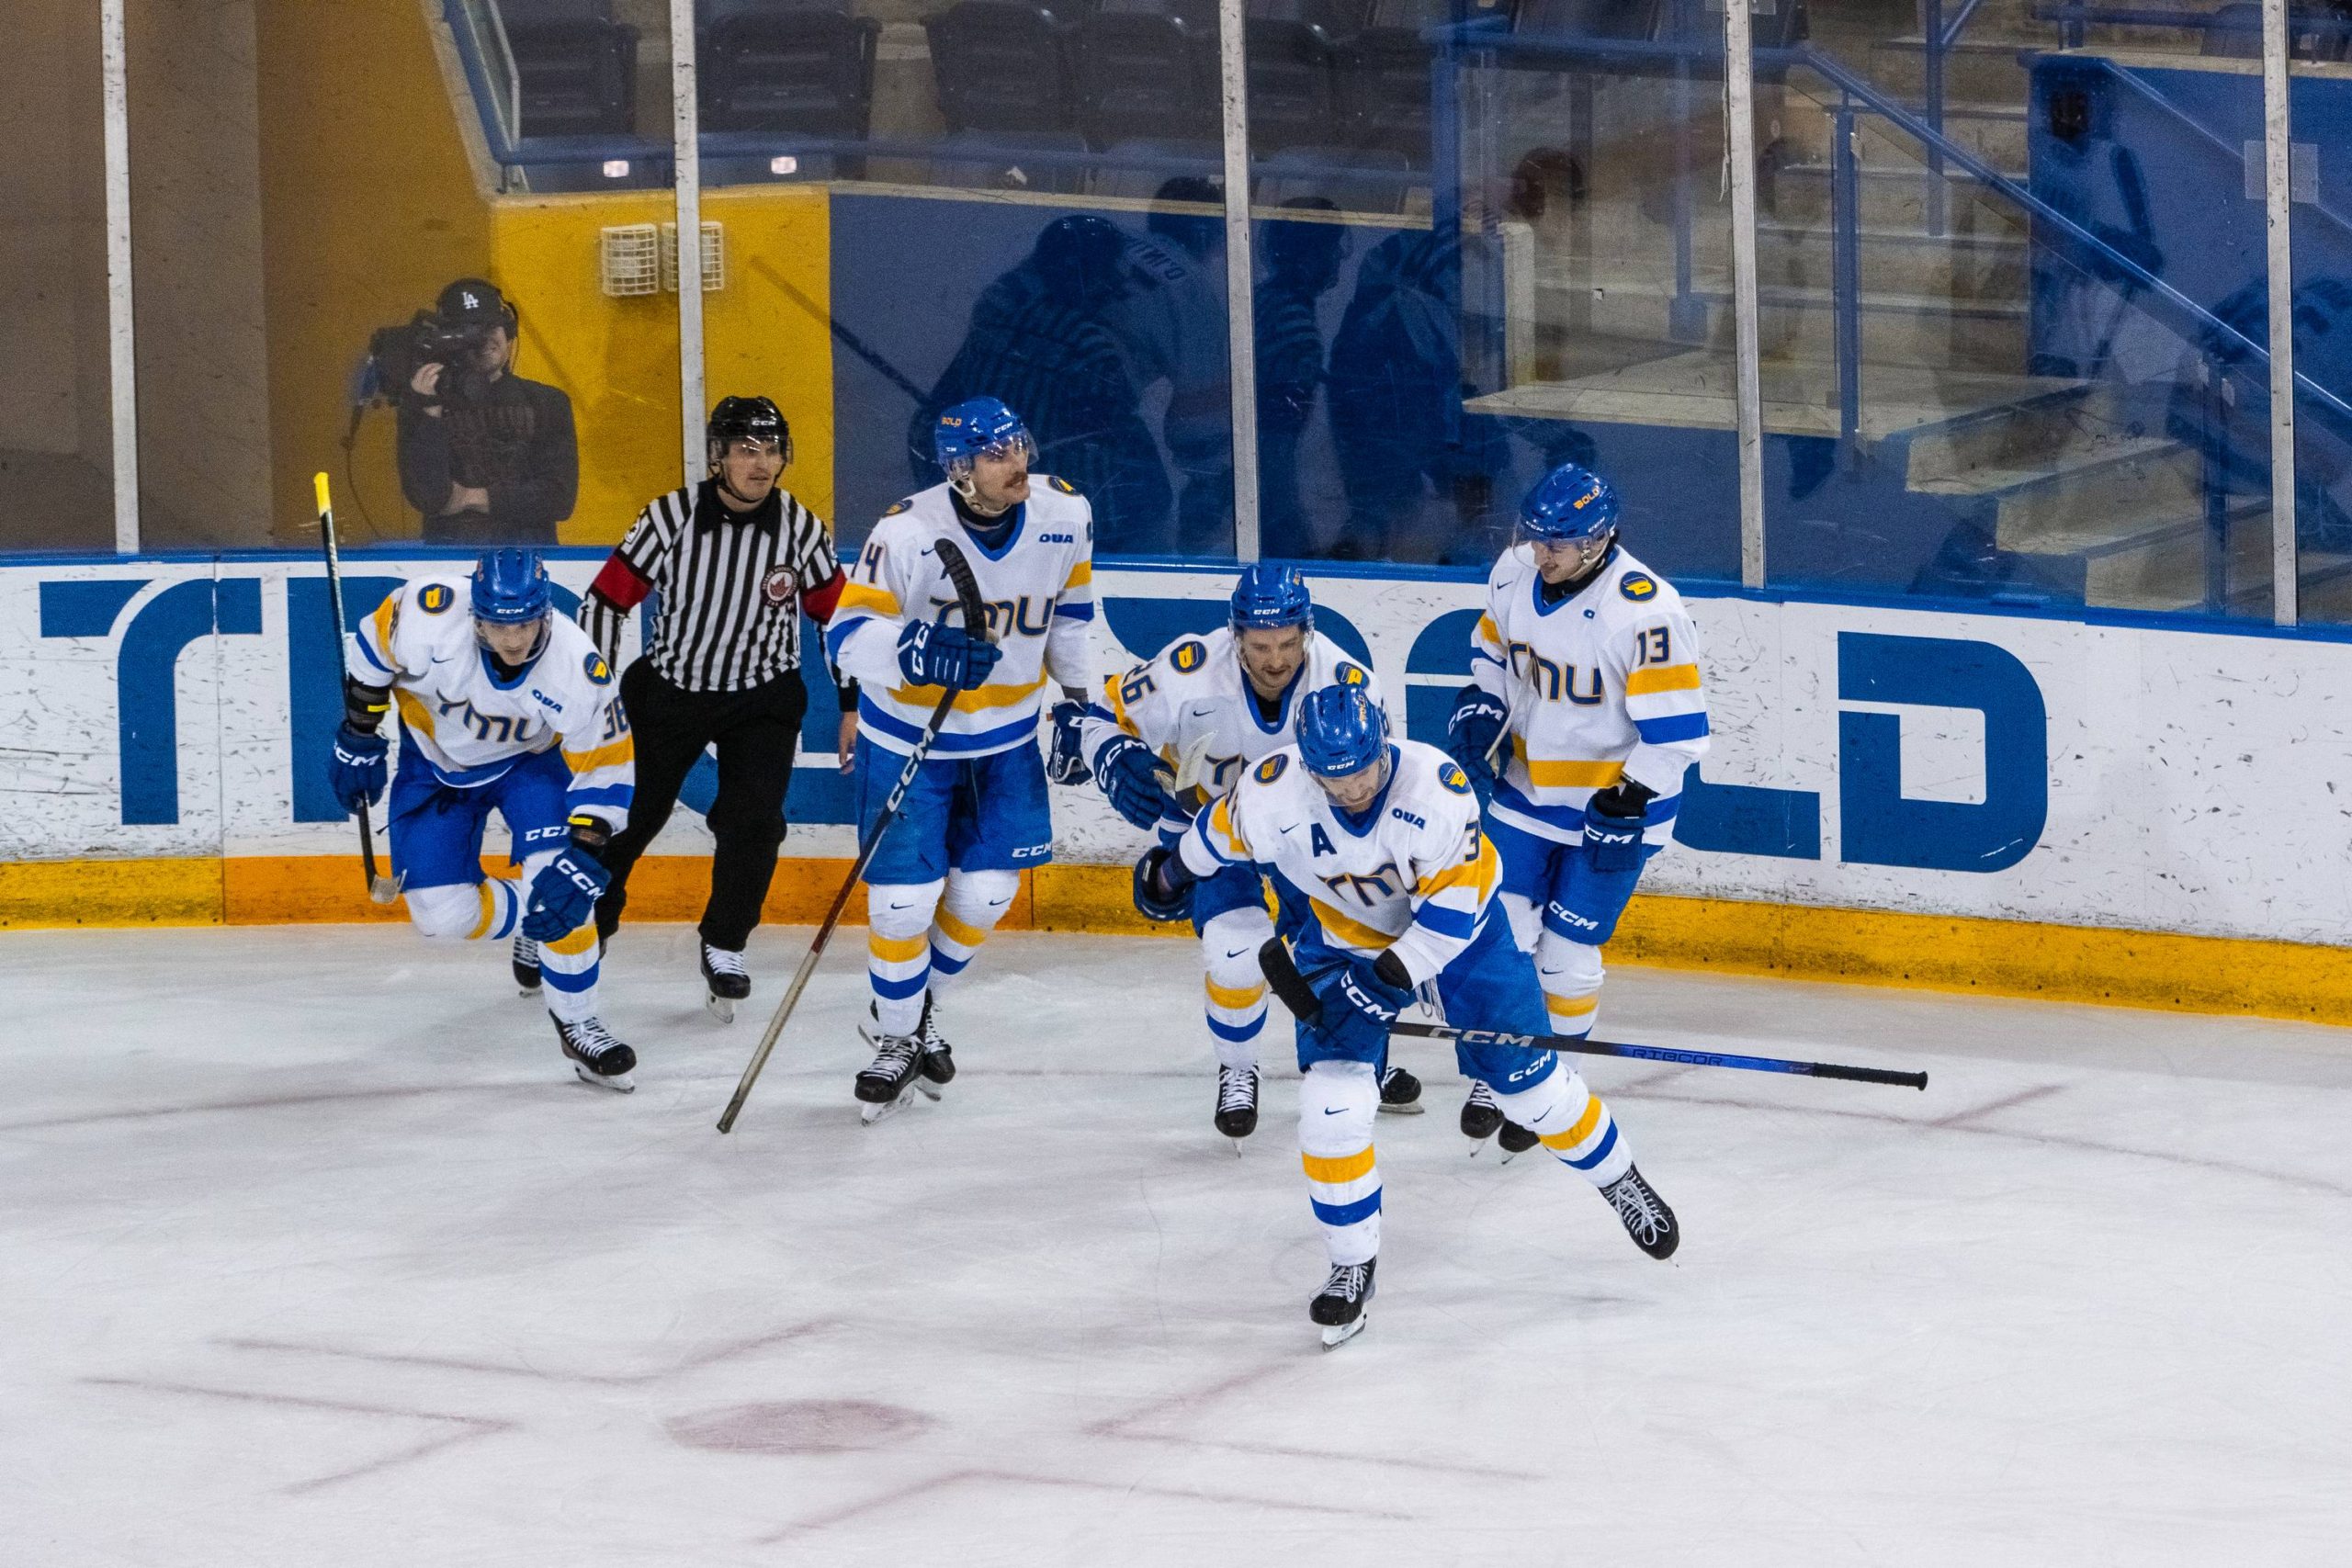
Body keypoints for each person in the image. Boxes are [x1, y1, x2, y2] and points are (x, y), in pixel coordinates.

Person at [1139, 687, 1678, 1348]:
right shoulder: (1273, 790)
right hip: (1339, 946)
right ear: (1309, 765)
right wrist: (1166, 875)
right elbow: (1214, 835)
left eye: (1361, 770)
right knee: (1331, 1109)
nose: (1350, 788)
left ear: (1383, 742)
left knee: (1533, 1090)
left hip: (1464, 947)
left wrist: (1388, 983)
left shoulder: (1437, 792)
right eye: (1332, 776)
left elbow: (1446, 921)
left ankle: (1619, 1179)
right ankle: (1350, 1266)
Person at [1062, 563, 1420, 1143]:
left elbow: (1374, 776)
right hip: (1213, 832)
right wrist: (1112, 758)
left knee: (1339, 953)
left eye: (1286, 643)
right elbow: (1098, 716)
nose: (1276, 660)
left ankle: (1352, 1060)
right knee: (1234, 951)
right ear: (1236, 637)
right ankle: (1237, 1067)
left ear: (1306, 631)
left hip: (1308, 842)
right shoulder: (1189, 670)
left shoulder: (1346, 681)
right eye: (1260, 646)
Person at [823, 396, 1100, 1122]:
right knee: (904, 900)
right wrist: (911, 649)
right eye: (997, 454)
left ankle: (913, 1015)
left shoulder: (1065, 517)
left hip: (1006, 739)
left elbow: (1070, 618)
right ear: (959, 468)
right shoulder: (908, 530)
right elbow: (846, 636)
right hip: (909, 738)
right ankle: (894, 1037)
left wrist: (1080, 704)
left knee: (985, 895)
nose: (1018, 464)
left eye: (1018, 447)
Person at [1444, 461, 1711, 1149]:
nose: (1541, 553)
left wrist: (1629, 795)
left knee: (1565, 955)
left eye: (1556, 544)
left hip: (1613, 809)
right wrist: (1484, 700)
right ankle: (1503, 1065)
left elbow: (1679, 734)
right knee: (1500, 936)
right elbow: (1492, 647)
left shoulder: (1646, 612)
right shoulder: (1513, 572)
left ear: (1596, 541)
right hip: (1527, 795)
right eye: (1535, 538)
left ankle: (1552, 1079)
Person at [573, 396, 857, 1021]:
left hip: (762, 696)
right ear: (718, 457)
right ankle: (581, 924)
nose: (761, 463)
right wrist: (590, 691)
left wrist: (850, 703)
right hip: (670, 690)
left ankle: (725, 943)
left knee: (754, 823)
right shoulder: (668, 516)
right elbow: (605, 600)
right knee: (624, 817)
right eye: (746, 450)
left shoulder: (801, 528)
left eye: (772, 449)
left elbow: (836, 617)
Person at [325, 549, 639, 1089]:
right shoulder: (429, 611)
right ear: (476, 613)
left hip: (531, 768)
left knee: (563, 883)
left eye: (524, 624)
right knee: (441, 918)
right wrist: (358, 733)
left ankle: (579, 1021)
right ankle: (530, 921)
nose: (512, 640)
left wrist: (584, 854)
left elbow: (605, 766)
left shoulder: (577, 667)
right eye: (497, 625)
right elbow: (374, 653)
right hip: (432, 766)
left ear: (545, 612)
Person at [396, 278, 578, 547]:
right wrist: (430, 414)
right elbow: (429, 498)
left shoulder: (548, 402)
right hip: (450, 564)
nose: (484, 339)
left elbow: (559, 499)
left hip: (529, 562)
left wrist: (472, 497)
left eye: (491, 326)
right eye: (469, 330)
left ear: (508, 330)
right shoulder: (425, 403)